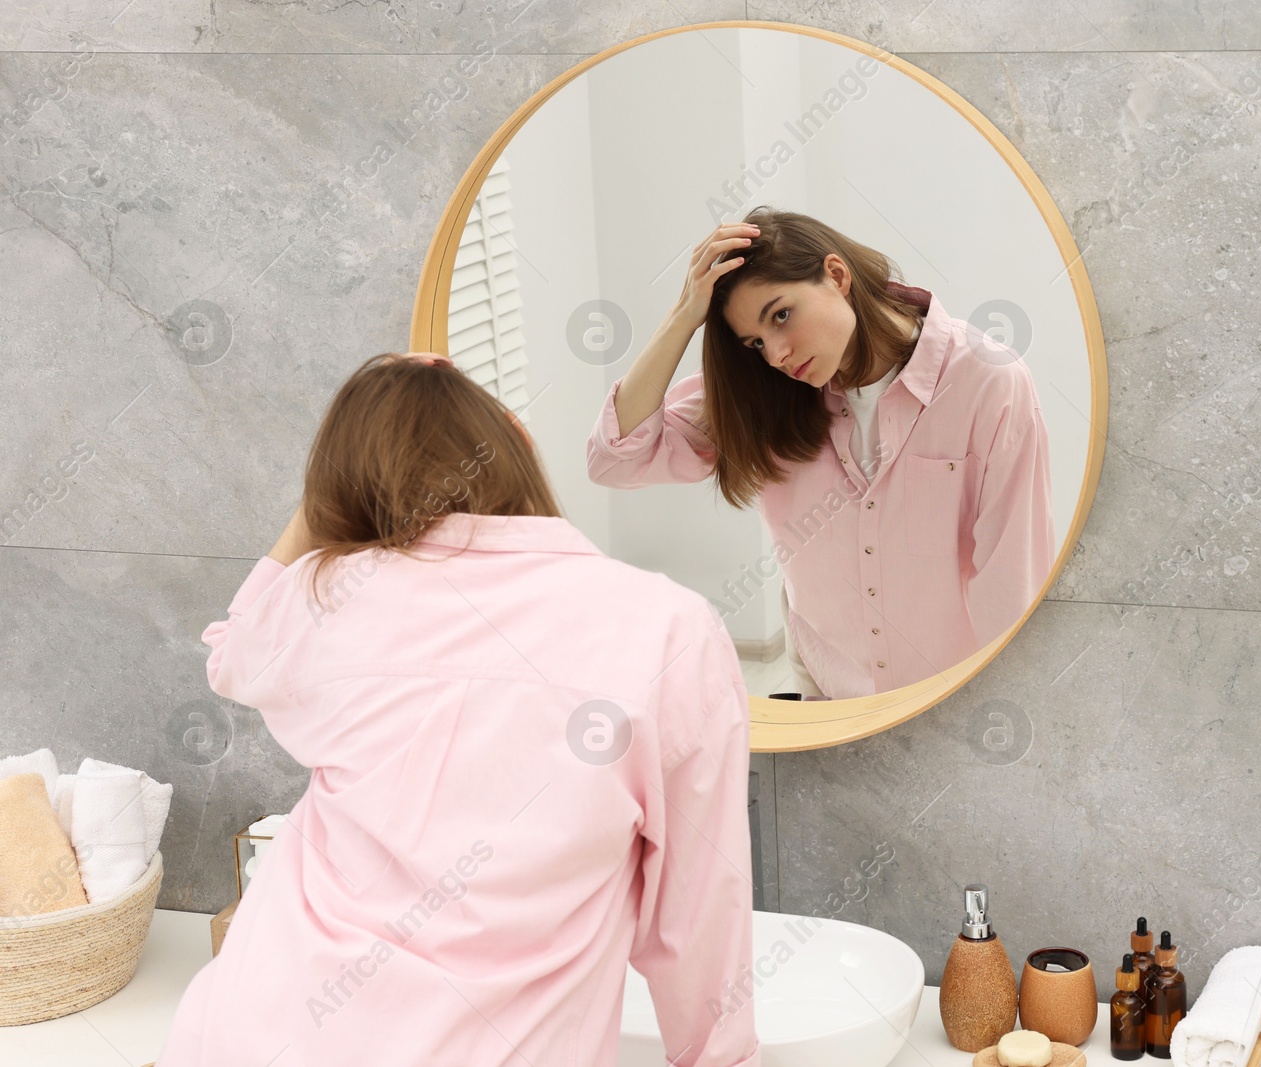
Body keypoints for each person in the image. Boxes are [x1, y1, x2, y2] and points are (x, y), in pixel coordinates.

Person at [157, 353, 760, 1067]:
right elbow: (697, 920)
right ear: (521, 441)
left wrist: (325, 494)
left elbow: (234, 645)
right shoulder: (666, 628)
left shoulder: (329, 598)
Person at [587, 207, 1055, 700]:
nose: (776, 355)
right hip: (828, 696)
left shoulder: (986, 380)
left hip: (950, 700)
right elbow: (615, 461)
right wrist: (684, 316)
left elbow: (1011, 583)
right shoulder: (763, 394)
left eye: (782, 316)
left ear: (836, 275)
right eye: (755, 342)